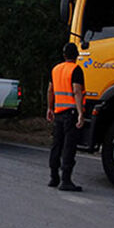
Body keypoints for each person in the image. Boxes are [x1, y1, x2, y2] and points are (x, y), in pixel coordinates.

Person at [46, 42, 85, 192]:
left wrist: (50, 108)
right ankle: (66, 180)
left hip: (58, 113)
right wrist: (81, 113)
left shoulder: (56, 69)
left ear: (64, 55)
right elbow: (76, 91)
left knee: (56, 145)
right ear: (76, 56)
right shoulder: (76, 69)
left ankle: (53, 177)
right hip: (71, 113)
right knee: (69, 147)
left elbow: (51, 90)